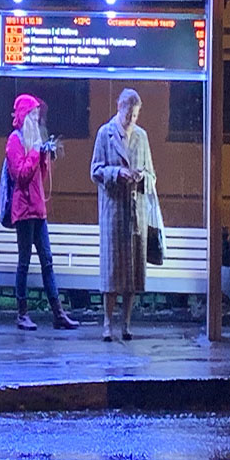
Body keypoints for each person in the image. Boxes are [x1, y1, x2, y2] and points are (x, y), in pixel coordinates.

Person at [5, 94, 80, 331]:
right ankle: (22, 313)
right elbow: (20, 175)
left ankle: (58, 313)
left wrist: (46, 157)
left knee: (47, 261)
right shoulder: (15, 141)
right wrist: (36, 152)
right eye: (33, 115)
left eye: (38, 115)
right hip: (24, 210)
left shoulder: (34, 140)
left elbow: (40, 178)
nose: (37, 120)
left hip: (38, 209)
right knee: (24, 262)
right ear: (24, 115)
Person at [90, 88, 159, 342]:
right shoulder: (104, 134)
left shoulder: (142, 136)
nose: (132, 119)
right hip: (113, 211)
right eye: (129, 114)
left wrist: (141, 178)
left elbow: (152, 175)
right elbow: (95, 171)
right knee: (111, 272)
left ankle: (127, 323)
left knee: (132, 273)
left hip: (135, 212)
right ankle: (107, 323)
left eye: (135, 115)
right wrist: (117, 173)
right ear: (119, 108)